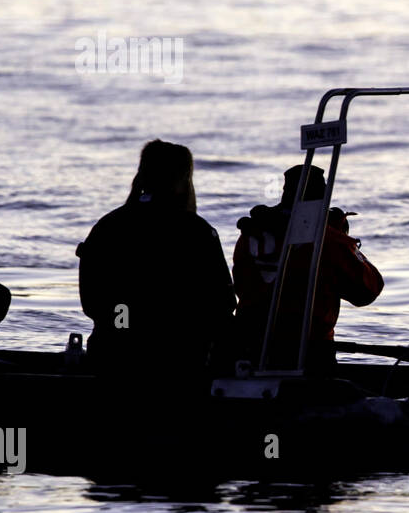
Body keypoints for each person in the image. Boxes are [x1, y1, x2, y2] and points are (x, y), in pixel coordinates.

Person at [77, 140, 235, 376]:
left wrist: (126, 327)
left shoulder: (108, 225)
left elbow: (92, 301)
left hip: (111, 353)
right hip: (177, 358)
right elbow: (222, 303)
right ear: (182, 178)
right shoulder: (195, 231)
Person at [232, 164, 383, 372]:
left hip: (247, 347)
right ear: (322, 199)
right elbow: (368, 290)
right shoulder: (327, 239)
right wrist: (342, 237)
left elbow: (239, 284)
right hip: (307, 349)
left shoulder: (250, 232)